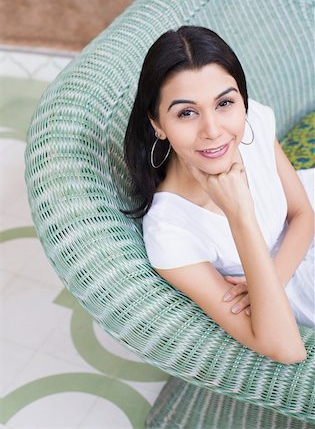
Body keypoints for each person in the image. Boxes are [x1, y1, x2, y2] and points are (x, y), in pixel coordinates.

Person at [124, 26, 314, 364]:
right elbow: (288, 349)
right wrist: (239, 214)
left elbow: (303, 213)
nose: (213, 131)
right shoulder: (170, 233)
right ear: (157, 123)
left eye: (225, 103)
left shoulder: (250, 121)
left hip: (290, 258)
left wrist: (269, 279)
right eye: (186, 112)